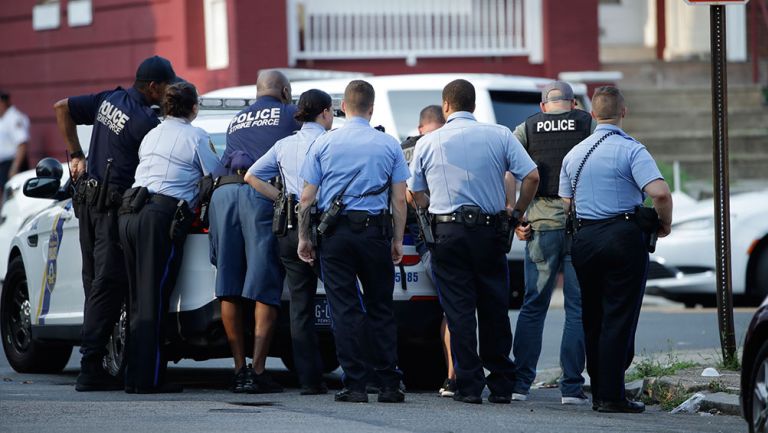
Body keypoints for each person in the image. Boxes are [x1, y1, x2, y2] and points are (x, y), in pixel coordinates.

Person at [408, 79, 540, 404]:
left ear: (446, 107)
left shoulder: (428, 142)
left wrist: (429, 208)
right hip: (490, 231)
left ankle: (468, 385)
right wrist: (516, 213)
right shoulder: (499, 135)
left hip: (447, 233)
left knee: (459, 310)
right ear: (474, 105)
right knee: (494, 306)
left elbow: (413, 192)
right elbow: (532, 176)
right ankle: (502, 384)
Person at [54, 55, 180, 391]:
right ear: (153, 87)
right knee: (108, 286)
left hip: (89, 204)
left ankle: (99, 362)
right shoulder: (143, 123)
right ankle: (90, 367)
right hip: (110, 210)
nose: (170, 92)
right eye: (168, 85)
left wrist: (76, 153)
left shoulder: (110, 98)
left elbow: (61, 107)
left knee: (96, 283)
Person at [559, 86, 672, 413]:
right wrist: (663, 224)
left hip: (585, 239)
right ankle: (611, 395)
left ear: (592, 114)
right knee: (618, 316)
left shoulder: (575, 154)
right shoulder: (631, 150)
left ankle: (599, 392)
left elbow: (567, 201)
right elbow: (660, 194)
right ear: (624, 112)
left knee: (593, 316)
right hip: (622, 237)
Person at [297, 79, 409, 404]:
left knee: (344, 310)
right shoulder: (388, 145)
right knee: (381, 308)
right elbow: (399, 200)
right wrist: (398, 240)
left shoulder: (322, 144)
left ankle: (355, 385)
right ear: (371, 109)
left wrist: (305, 237)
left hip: (336, 236)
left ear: (343, 107)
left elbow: (306, 199)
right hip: (375, 233)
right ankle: (389, 384)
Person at [118, 82, 221, 393]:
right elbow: (215, 174)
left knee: (136, 299)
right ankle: (148, 380)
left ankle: (133, 377)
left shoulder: (152, 134)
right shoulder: (196, 136)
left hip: (129, 213)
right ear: (193, 108)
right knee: (153, 299)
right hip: (159, 216)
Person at [209, 70, 300, 394]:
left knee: (229, 284)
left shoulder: (238, 117)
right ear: (285, 91)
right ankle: (258, 371)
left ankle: (238, 369)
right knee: (264, 283)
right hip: (258, 194)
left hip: (222, 195)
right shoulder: (290, 113)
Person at [510, 81, 596, 405]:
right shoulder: (588, 124)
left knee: (533, 306)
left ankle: (520, 384)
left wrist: (516, 215)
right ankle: (572, 388)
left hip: (540, 225)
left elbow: (509, 170)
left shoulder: (528, 127)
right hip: (580, 226)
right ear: (573, 103)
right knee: (577, 309)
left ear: (544, 105)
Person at [244, 89, 334, 395]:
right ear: (324, 112)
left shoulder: (284, 144)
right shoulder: (329, 141)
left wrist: (282, 198)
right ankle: (362, 374)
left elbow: (251, 177)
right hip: (325, 225)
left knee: (300, 307)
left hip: (291, 228)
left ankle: (310, 380)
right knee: (344, 300)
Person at [401, 105, 457, 398]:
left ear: (420, 127)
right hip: (449, 233)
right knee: (456, 307)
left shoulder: (404, 149)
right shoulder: (449, 145)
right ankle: (454, 376)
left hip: (417, 239)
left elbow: (401, 197)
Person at [0, 91, 30, 206]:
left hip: (13, 162)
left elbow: (22, 143)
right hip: (4, 164)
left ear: (3, 103)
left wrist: (14, 168)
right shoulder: (4, 118)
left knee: (15, 195)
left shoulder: (14, 118)